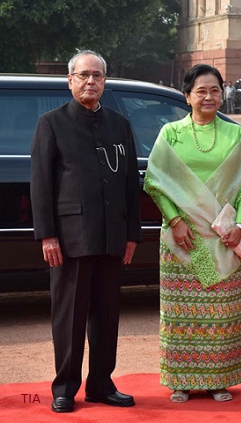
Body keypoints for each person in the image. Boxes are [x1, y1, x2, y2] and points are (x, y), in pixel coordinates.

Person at [30, 50, 141, 413]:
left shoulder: (120, 125)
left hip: (112, 237)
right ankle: (65, 387)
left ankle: (101, 384)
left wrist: (131, 235)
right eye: (83, 75)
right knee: (70, 318)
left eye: (97, 76)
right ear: (70, 80)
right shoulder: (52, 123)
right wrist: (47, 235)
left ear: (105, 82)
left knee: (107, 315)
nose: (90, 81)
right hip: (70, 239)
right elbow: (41, 185)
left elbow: (129, 184)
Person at [143, 64, 241, 403]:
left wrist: (240, 226)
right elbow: (155, 182)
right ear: (187, 95)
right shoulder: (171, 134)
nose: (209, 97)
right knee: (181, 315)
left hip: (223, 239)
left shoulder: (235, 134)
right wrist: (175, 220)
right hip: (184, 240)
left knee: (220, 314)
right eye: (201, 91)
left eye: (215, 90)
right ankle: (180, 380)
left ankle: (217, 380)